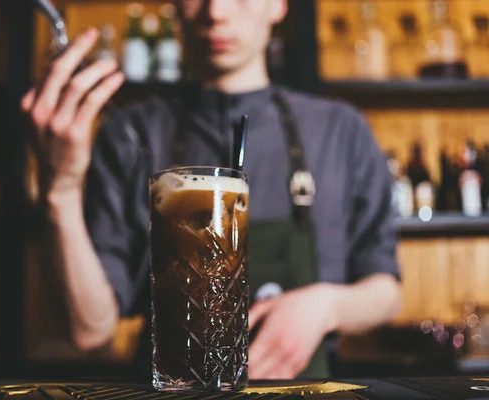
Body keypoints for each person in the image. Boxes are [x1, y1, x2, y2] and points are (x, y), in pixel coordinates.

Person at [21, 0, 402, 379]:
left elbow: (386, 291)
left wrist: (326, 306)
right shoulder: (130, 135)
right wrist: (62, 190)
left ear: (278, 6)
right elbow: (90, 331)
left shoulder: (341, 131)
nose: (216, 12)